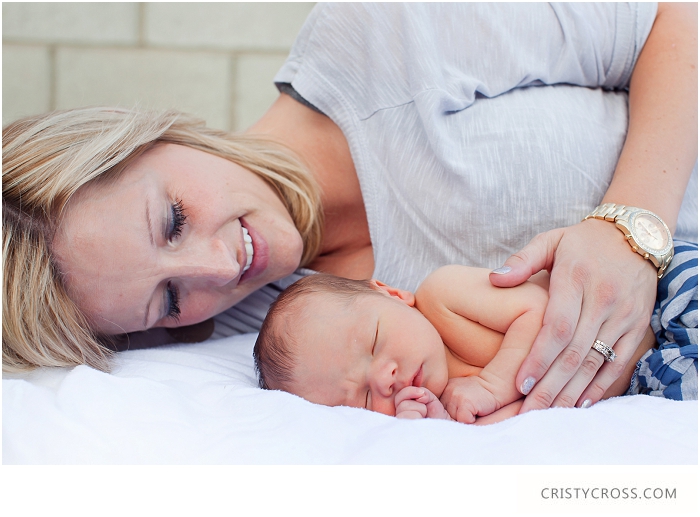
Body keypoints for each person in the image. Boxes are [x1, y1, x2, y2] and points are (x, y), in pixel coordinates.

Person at [2, 4, 697, 417]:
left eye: (173, 219)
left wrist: (632, 229)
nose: (220, 268)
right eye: (169, 297)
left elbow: (676, 16)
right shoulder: (287, 340)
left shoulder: (376, 34)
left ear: (153, 137)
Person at [253, 266, 660, 424]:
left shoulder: (444, 297)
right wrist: (445, 427)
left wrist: (492, 386)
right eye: (360, 397)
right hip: (659, 377)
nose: (384, 379)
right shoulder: (448, 405)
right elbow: (539, 416)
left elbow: (540, 313)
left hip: (663, 310)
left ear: (393, 295)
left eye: (375, 343)